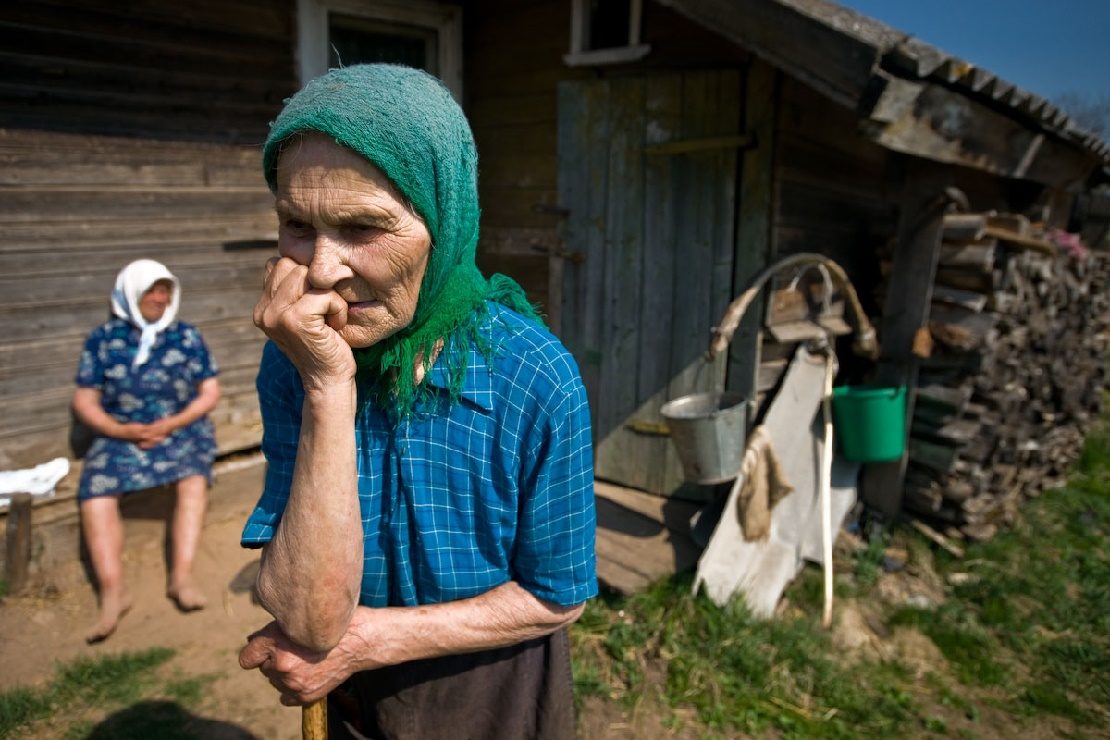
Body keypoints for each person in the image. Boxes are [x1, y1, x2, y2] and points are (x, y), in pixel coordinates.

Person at [237, 64, 597, 739]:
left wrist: (365, 641)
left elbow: (556, 596)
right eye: (296, 224)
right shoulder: (296, 360)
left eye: (363, 228)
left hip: (491, 686)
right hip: (352, 699)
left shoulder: (534, 376)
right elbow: (311, 621)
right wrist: (326, 387)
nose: (320, 271)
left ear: (445, 219)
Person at [73, 259, 221, 643]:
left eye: (164, 290)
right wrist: (119, 429)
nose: (158, 298)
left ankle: (181, 577)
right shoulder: (103, 339)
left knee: (193, 479)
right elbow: (85, 400)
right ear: (130, 293)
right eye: (150, 291)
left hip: (179, 430)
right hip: (120, 434)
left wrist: (172, 424)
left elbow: (209, 393)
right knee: (96, 491)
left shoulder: (186, 336)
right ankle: (113, 591)